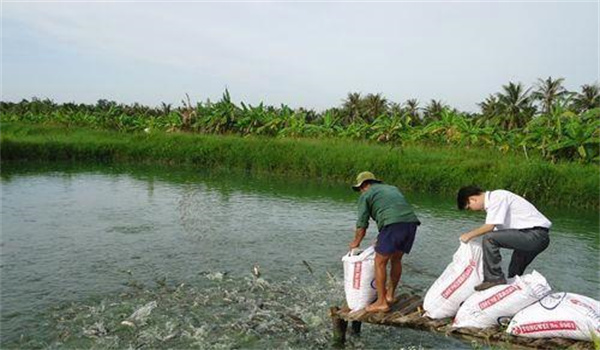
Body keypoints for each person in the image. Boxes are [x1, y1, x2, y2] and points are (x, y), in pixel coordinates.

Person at [349, 171, 420, 313]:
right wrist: (382, 236)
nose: (360, 191)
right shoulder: (392, 188)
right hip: (410, 223)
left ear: (365, 185)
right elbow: (392, 210)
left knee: (379, 262)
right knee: (396, 259)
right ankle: (389, 296)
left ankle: (381, 302)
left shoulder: (366, 195)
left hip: (392, 225)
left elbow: (362, 224)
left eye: (360, 188)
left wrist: (355, 243)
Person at [457, 185, 551, 291]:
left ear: (472, 199)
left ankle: (494, 279)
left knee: (489, 238)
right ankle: (511, 292)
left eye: (469, 207)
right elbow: (497, 233)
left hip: (534, 235)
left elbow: (489, 228)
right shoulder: (495, 202)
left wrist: (468, 235)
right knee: (514, 273)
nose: (472, 210)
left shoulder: (496, 197)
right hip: (532, 236)